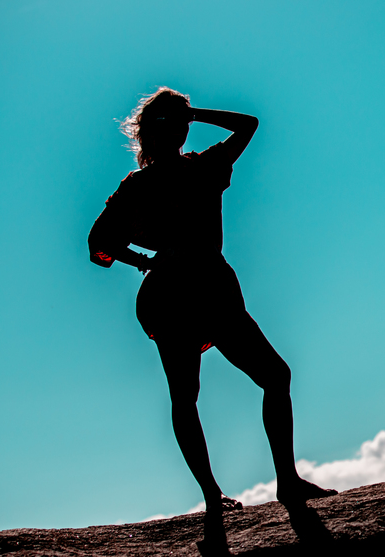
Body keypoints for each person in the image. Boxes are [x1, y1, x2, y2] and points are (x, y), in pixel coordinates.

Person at [89, 87, 335, 512]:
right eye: (165, 123)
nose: (176, 129)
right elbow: (98, 245)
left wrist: (190, 112)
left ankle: (285, 482)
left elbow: (250, 125)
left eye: (180, 122)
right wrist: (145, 262)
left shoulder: (203, 167)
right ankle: (214, 494)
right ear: (149, 133)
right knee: (188, 395)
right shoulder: (148, 183)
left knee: (273, 376)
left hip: (210, 291)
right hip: (174, 298)